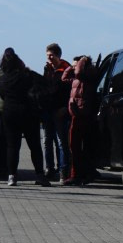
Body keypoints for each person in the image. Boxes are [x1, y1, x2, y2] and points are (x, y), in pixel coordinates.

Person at [0, 48, 51, 187]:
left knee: (12, 146)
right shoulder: (28, 76)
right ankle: (40, 175)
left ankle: (12, 176)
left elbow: (1, 95)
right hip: (29, 113)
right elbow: (45, 84)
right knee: (35, 146)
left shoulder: (2, 79)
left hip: (9, 113)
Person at [62, 55, 100, 185]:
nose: (74, 68)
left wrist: (83, 60)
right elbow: (64, 79)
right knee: (76, 146)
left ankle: (77, 175)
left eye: (75, 65)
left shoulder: (86, 74)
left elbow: (78, 72)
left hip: (82, 113)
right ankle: (79, 174)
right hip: (76, 113)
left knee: (76, 146)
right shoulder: (77, 78)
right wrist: (69, 67)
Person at [41, 43, 71, 182]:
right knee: (47, 141)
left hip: (60, 111)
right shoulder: (47, 69)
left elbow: (70, 91)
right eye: (47, 55)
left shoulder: (66, 69)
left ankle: (63, 170)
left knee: (61, 142)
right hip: (48, 110)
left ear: (58, 55)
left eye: (51, 55)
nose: (49, 58)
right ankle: (49, 168)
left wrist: (65, 108)